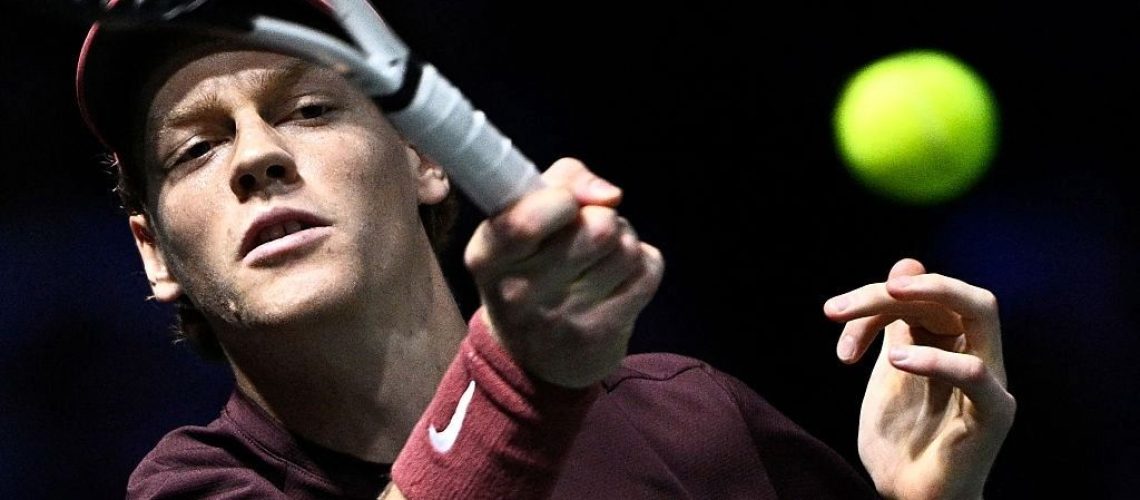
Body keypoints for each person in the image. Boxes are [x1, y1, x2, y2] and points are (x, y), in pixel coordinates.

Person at [74, 1, 1016, 498]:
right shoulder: (188, 492)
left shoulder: (689, 422)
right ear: (154, 253)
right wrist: (521, 377)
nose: (260, 157)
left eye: (308, 109)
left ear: (423, 163)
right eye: (197, 147)